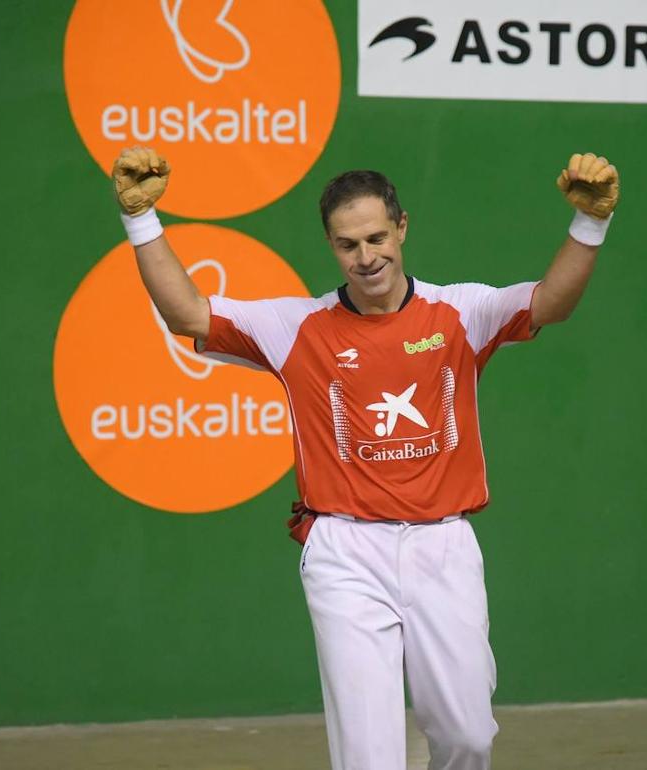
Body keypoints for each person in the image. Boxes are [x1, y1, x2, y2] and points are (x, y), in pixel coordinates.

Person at [111, 146, 619, 770]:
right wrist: (141, 221)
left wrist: (589, 223)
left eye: (377, 237)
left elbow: (550, 303)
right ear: (331, 246)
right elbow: (186, 312)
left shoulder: (461, 312)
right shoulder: (294, 326)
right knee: (369, 758)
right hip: (345, 555)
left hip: (444, 549)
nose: (366, 257)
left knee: (467, 737)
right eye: (347, 245)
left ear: (402, 228)